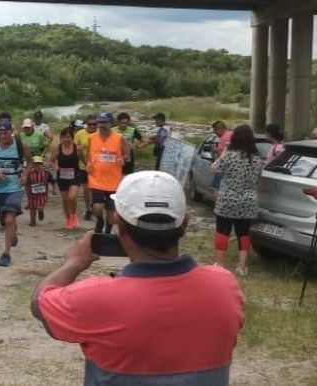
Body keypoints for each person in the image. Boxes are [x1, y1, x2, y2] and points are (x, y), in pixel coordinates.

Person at [31, 170, 245, 386]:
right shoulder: (224, 286)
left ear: (119, 225)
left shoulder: (95, 298)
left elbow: (39, 303)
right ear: (184, 224)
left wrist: (73, 263)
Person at [211, 124, 264, 276]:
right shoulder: (256, 158)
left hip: (228, 198)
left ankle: (220, 264)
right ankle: (242, 266)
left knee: (222, 232)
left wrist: (224, 152)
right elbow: (258, 177)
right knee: (243, 233)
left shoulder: (230, 155)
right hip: (248, 200)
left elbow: (214, 168)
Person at [0, 119, 31, 267]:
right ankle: (12, 233)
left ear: (11, 132)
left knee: (9, 220)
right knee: (4, 221)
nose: (3, 136)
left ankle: (6, 254)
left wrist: (25, 175)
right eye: (0, 133)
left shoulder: (20, 145)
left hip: (14, 187)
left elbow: (30, 161)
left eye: (5, 133)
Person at [86, 112, 130, 234]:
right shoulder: (92, 138)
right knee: (97, 206)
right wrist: (88, 163)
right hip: (96, 178)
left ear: (111, 123)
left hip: (113, 181)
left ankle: (108, 232)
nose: (102, 125)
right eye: (100, 122)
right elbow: (88, 154)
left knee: (111, 212)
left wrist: (124, 158)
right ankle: (99, 220)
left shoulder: (118, 138)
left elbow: (127, 153)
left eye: (105, 122)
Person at [51, 127, 81, 229]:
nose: (66, 139)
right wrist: (54, 166)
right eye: (63, 137)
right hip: (62, 176)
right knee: (65, 200)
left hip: (75, 175)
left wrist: (89, 167)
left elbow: (85, 160)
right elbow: (51, 160)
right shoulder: (58, 149)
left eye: (68, 137)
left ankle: (74, 215)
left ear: (72, 138)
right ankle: (68, 219)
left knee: (71, 197)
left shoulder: (77, 148)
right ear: (60, 138)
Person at [74, 114, 97, 220]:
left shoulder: (99, 134)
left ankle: (95, 207)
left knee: (95, 189)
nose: (92, 126)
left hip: (97, 166)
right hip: (83, 165)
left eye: (94, 124)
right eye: (90, 124)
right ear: (86, 124)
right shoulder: (79, 134)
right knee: (86, 189)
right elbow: (76, 149)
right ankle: (88, 209)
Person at [210, 121, 234, 201]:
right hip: (232, 169)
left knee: (216, 188)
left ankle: (217, 207)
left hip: (222, 169)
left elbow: (221, 155)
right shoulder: (232, 134)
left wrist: (214, 150)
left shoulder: (224, 137)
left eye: (215, 132)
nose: (216, 135)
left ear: (219, 129)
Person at [26, 155, 50, 227]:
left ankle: (40, 211)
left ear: (41, 164)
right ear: (32, 165)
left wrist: (54, 188)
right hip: (32, 193)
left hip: (42, 193)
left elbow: (51, 180)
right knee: (32, 207)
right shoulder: (29, 173)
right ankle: (33, 221)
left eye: (39, 164)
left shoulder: (46, 173)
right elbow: (26, 182)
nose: (37, 166)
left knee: (41, 204)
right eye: (35, 164)